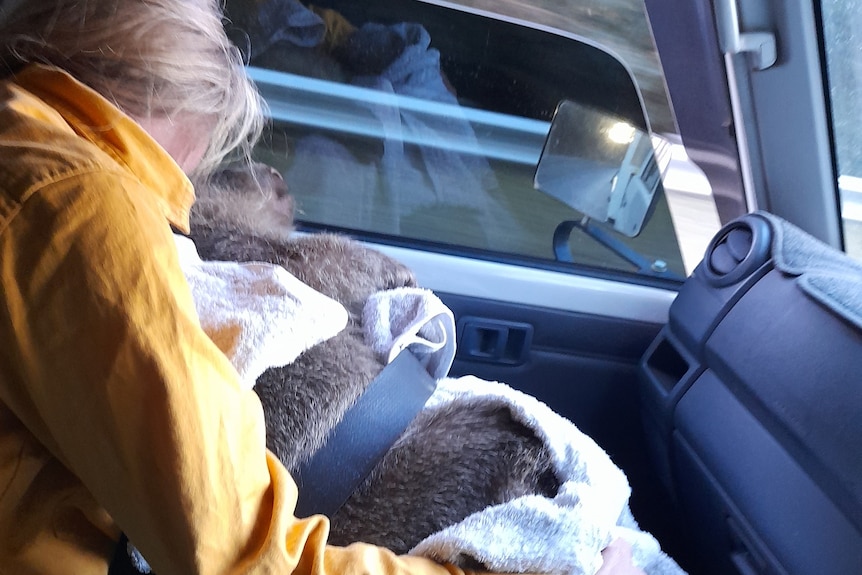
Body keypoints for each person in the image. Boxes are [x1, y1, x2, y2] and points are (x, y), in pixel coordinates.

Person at [0, 1, 645, 573]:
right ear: (153, 99)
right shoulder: (76, 206)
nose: (183, 199)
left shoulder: (25, 150)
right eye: (174, 171)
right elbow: (239, 554)